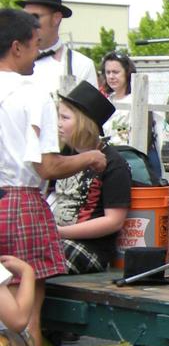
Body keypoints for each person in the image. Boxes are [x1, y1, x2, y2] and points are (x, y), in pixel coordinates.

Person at [0, 9, 107, 342]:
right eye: (35, 45)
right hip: (19, 202)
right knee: (27, 310)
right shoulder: (31, 93)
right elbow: (46, 166)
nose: (37, 53)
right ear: (17, 47)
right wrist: (90, 157)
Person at [51, 82, 131, 274]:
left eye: (65, 117)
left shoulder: (113, 163)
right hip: (56, 237)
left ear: (83, 122)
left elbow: (114, 221)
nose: (58, 123)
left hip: (90, 247)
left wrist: (59, 233)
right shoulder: (63, 155)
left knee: (37, 266)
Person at [16, 0, 96, 93]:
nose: (27, 23)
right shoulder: (10, 60)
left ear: (56, 19)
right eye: (24, 17)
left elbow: (89, 110)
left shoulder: (81, 65)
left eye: (34, 17)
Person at [100, 50, 163, 179]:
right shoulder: (105, 101)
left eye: (116, 72)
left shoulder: (140, 99)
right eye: (108, 72)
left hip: (137, 162)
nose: (111, 76)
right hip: (112, 162)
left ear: (127, 73)